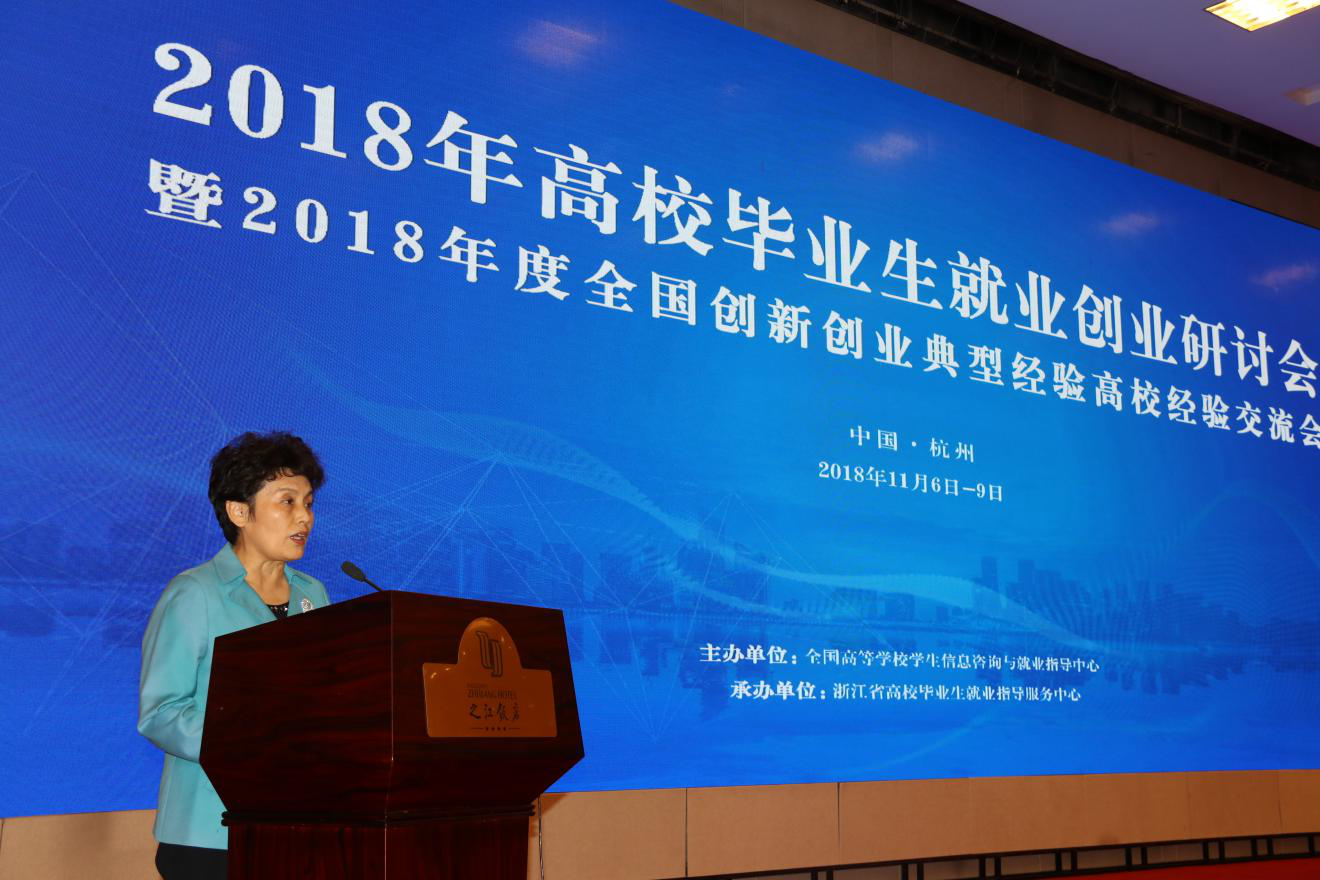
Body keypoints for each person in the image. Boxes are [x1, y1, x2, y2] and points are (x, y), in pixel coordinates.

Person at [138, 432, 330, 880]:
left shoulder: (313, 594)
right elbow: (161, 712)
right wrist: (252, 740)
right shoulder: (195, 593)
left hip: (297, 824)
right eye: (287, 502)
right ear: (239, 512)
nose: (305, 516)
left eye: (308, 503)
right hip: (210, 831)